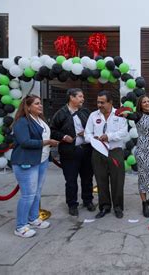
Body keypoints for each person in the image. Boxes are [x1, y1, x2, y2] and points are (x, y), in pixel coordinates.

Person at [11, 95, 59, 238]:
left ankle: (33, 219)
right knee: (28, 195)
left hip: (41, 160)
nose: (40, 106)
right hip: (26, 162)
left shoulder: (39, 119)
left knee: (37, 192)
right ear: (28, 106)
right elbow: (25, 142)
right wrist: (47, 142)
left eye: (40, 103)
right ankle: (20, 226)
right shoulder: (22, 122)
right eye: (37, 104)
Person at [50, 88, 95, 217]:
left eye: (83, 96)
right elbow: (52, 130)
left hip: (86, 150)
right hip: (69, 152)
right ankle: (72, 204)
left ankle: (88, 201)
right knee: (71, 181)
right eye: (80, 96)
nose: (83, 99)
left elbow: (93, 128)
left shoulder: (86, 112)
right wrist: (64, 137)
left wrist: (86, 132)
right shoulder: (60, 113)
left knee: (87, 178)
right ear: (71, 97)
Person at [85, 90, 128, 219]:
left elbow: (123, 132)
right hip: (98, 152)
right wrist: (94, 139)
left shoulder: (119, 115)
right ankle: (104, 206)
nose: (99, 105)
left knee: (118, 181)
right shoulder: (93, 115)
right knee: (101, 180)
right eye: (98, 102)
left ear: (110, 103)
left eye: (102, 102)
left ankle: (118, 207)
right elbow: (87, 133)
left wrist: (108, 136)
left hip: (115, 152)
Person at [118, 95, 149, 218]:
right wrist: (125, 114)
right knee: (143, 176)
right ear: (140, 105)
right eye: (144, 102)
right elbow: (130, 115)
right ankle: (144, 203)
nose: (147, 103)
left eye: (148, 101)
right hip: (142, 150)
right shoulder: (138, 115)